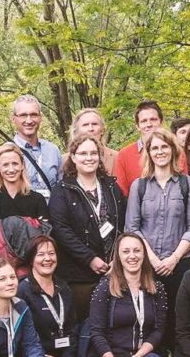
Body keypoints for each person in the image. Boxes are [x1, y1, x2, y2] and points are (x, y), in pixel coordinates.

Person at [124, 128, 190, 346]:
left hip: (181, 263)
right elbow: (133, 228)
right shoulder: (139, 186)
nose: (160, 151)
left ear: (173, 150)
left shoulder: (187, 184)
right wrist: (155, 260)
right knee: (151, 317)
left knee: (180, 317)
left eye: (164, 146)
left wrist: (173, 258)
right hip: (148, 264)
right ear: (148, 152)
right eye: (154, 148)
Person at [47, 132, 127, 318]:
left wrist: (117, 258)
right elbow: (61, 230)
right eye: (83, 154)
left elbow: (124, 225)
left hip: (113, 271)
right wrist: (89, 258)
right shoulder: (63, 190)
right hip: (78, 276)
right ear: (73, 157)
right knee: (82, 329)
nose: (89, 158)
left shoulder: (112, 187)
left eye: (93, 153)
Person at [89, 233, 168, 357]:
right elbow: (97, 332)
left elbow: (158, 331)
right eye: (126, 252)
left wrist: (139, 355)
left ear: (144, 255)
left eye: (137, 251)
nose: (132, 256)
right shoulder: (105, 287)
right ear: (118, 257)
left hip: (142, 354)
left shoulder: (157, 288)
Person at [16, 235, 81, 357]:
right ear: (31, 259)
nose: (47, 259)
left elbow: (73, 329)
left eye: (51, 253)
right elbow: (19, 335)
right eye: (40, 254)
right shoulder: (22, 291)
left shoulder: (65, 289)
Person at [0, 144, 51, 224]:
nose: (11, 169)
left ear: (22, 165)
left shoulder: (37, 199)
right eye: (5, 165)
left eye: (15, 164)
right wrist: (31, 224)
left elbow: (44, 231)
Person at [10, 94, 63, 197]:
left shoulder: (53, 150)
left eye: (33, 115)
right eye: (23, 115)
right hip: (21, 211)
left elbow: (62, 188)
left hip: (51, 211)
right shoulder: (5, 151)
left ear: (40, 118)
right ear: (13, 119)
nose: (29, 121)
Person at [113, 100, 168, 194]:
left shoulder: (176, 152)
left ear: (161, 122)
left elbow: (184, 190)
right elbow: (121, 195)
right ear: (137, 126)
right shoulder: (124, 155)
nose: (149, 124)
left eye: (153, 119)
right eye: (144, 121)